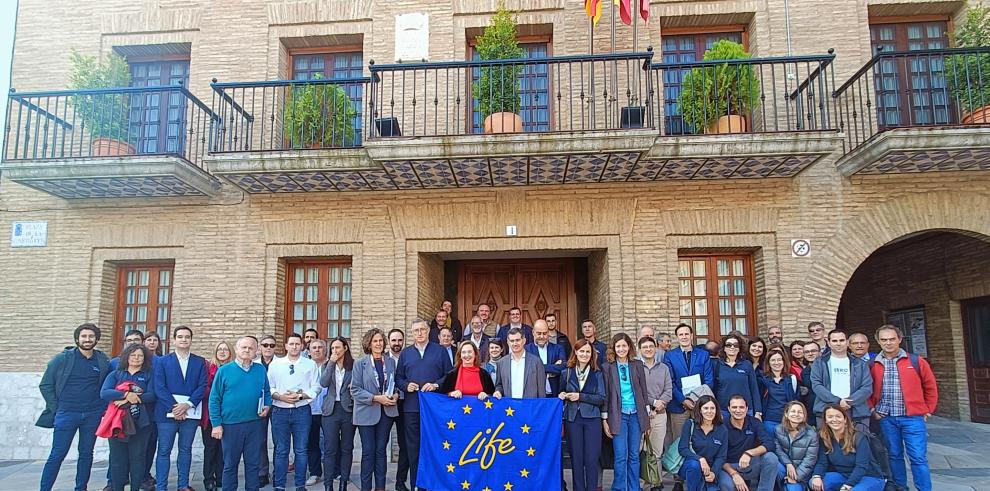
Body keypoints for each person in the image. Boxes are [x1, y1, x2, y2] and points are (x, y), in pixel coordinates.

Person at [868, 324, 938, 491]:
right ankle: (901, 487)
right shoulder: (873, 364)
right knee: (894, 455)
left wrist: (928, 409)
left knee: (918, 458)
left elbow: (930, 386)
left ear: (899, 339)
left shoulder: (916, 361)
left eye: (892, 339)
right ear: (878, 341)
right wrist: (873, 410)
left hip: (912, 417)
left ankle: (924, 488)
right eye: (884, 340)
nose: (888, 343)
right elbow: (867, 389)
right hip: (886, 418)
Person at [209, 336, 273, 491]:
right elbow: (214, 399)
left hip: (255, 424)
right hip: (231, 425)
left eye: (251, 348)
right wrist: (216, 425)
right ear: (236, 350)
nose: (247, 350)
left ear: (256, 351)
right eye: (243, 347)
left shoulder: (260, 370)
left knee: (253, 464)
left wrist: (267, 405)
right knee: (230, 465)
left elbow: (267, 392)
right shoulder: (224, 371)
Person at [395, 319, 452, 490]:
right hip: (412, 408)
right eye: (415, 330)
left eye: (422, 329)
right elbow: (399, 378)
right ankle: (417, 484)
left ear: (429, 331)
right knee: (413, 448)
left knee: (434, 446)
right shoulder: (406, 353)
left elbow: (449, 375)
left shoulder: (440, 351)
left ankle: (435, 483)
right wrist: (406, 386)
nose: (419, 333)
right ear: (412, 333)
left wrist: (436, 385)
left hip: (435, 409)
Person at [153, 325, 208, 491]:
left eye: (187, 337)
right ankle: (161, 486)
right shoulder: (163, 361)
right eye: (180, 337)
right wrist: (174, 407)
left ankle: (183, 484)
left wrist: (187, 405)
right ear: (174, 340)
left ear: (191, 340)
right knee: (164, 450)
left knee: (185, 450)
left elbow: (203, 385)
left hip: (190, 413)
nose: (184, 339)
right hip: (165, 414)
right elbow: (159, 386)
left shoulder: (199, 362)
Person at [268, 332, 321, 491]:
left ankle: (300, 485)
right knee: (281, 450)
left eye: (297, 344)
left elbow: (316, 387)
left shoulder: (309, 364)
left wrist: (301, 396)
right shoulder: (275, 365)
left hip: (302, 411)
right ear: (286, 346)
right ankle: (279, 485)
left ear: (302, 346)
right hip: (280, 411)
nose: (294, 346)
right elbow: (268, 387)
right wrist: (280, 397)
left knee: (301, 449)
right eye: (291, 344)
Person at [101, 343, 157, 491]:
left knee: (138, 458)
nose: (136, 358)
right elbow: (105, 392)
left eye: (140, 355)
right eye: (133, 355)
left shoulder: (149, 374)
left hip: (141, 422)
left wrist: (127, 400)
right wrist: (126, 394)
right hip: (117, 422)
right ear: (127, 356)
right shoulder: (116, 374)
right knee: (118, 459)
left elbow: (152, 395)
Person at [352, 328, 399, 491]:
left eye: (380, 340)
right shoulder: (360, 363)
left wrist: (396, 396)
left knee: (381, 451)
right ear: (369, 344)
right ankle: (366, 487)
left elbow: (395, 384)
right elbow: (355, 390)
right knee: (368, 451)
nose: (379, 344)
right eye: (375, 341)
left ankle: (380, 487)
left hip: (386, 413)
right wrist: (376, 398)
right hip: (366, 413)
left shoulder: (390, 362)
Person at [602, 333, 650, 491]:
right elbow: (606, 395)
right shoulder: (607, 367)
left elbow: (643, 393)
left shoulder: (637, 365)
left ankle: (634, 487)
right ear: (613, 348)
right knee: (621, 456)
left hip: (636, 415)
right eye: (618, 346)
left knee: (634, 456)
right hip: (618, 416)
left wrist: (646, 420)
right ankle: (619, 488)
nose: (621, 349)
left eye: (624, 345)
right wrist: (605, 419)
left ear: (629, 347)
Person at [559, 339, 606, 491]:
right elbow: (560, 393)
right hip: (572, 419)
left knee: (591, 459)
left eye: (587, 351)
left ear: (591, 354)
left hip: (592, 419)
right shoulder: (566, 373)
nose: (584, 354)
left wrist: (580, 396)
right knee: (576, 460)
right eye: (581, 351)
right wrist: (562, 395)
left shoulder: (597, 373)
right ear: (576, 352)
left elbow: (601, 398)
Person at [664, 323, 714, 458]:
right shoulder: (669, 356)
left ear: (692, 336)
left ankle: (702, 469)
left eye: (687, 334)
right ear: (677, 337)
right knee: (679, 440)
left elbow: (709, 380)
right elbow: (670, 381)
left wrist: (697, 400)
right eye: (681, 334)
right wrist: (683, 400)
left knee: (701, 440)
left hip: (701, 405)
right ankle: (679, 474)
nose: (684, 337)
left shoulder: (703, 355)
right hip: (679, 405)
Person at [810, 405, 885, 491]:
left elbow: (861, 466)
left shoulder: (859, 437)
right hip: (843, 475)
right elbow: (822, 463)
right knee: (815, 483)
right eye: (830, 417)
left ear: (845, 419)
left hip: (868, 477)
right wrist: (816, 476)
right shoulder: (825, 438)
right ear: (826, 420)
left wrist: (848, 485)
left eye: (838, 416)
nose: (834, 420)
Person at [810, 331, 872, 428]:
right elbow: (816, 385)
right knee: (828, 443)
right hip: (826, 412)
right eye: (834, 341)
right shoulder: (819, 363)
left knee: (859, 442)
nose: (838, 343)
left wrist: (848, 402)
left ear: (847, 342)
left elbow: (867, 388)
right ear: (829, 343)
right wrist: (838, 401)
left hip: (856, 413)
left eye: (842, 340)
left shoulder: (860, 364)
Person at [718, 395, 779, 491]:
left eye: (741, 407)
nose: (738, 410)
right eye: (734, 407)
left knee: (771, 458)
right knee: (727, 485)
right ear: (729, 409)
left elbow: (769, 443)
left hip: (750, 464)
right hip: (729, 467)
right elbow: (718, 457)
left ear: (747, 409)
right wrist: (734, 474)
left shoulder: (754, 422)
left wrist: (749, 453)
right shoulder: (721, 427)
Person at [320, 337, 355, 491]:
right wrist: (331, 363)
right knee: (330, 448)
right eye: (333, 348)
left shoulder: (354, 366)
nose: (335, 351)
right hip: (331, 409)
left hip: (348, 409)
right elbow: (323, 383)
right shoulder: (327, 365)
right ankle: (328, 484)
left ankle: (343, 483)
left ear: (345, 348)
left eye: (338, 347)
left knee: (347, 447)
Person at [639, 336, 672, 491]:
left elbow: (668, 391)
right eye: (645, 347)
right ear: (640, 350)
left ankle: (655, 482)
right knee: (641, 450)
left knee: (657, 452)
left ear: (655, 348)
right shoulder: (636, 367)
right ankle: (640, 484)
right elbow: (638, 391)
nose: (648, 349)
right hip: (642, 415)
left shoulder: (663, 368)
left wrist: (659, 405)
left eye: (651, 346)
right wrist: (652, 403)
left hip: (660, 415)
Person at [201, 341, 233, 491]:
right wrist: (218, 393)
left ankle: (221, 477)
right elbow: (203, 389)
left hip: (229, 415)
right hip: (211, 415)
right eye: (219, 349)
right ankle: (208, 479)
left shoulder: (234, 369)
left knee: (224, 448)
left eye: (225, 349)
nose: (222, 352)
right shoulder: (208, 369)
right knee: (211, 447)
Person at [678, 394, 727, 491]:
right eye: (706, 408)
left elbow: (721, 456)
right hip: (690, 466)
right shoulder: (690, 424)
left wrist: (713, 472)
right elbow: (682, 449)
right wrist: (700, 459)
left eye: (712, 408)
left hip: (710, 469)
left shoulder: (722, 429)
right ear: (700, 410)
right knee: (694, 465)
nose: (709, 411)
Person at [714, 333, 762, 420]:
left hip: (745, 410)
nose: (732, 347)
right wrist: (717, 411)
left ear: (739, 348)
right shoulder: (717, 365)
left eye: (735, 345)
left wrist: (758, 412)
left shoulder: (747, 364)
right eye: (729, 345)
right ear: (724, 348)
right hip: (724, 411)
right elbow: (715, 390)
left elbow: (754, 388)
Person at [774, 401, 819, 491]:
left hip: (801, 474)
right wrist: (788, 464)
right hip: (785, 468)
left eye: (800, 412)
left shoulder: (811, 434)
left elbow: (810, 460)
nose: (796, 414)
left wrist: (796, 477)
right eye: (793, 411)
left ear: (804, 416)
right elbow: (778, 450)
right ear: (786, 414)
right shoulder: (778, 429)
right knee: (772, 463)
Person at [386, 328, 410, 491]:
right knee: (380, 445)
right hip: (385, 405)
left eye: (399, 340)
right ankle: (378, 484)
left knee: (405, 445)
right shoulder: (381, 359)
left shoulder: (408, 356)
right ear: (389, 342)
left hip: (404, 404)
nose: (396, 343)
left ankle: (400, 482)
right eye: (393, 340)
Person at [493, 327, 548, 399]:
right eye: (512, 341)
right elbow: (499, 385)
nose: (515, 343)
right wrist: (498, 392)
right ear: (508, 342)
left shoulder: (536, 362)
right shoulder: (502, 363)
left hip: (530, 407)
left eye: (517, 340)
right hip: (510, 408)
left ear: (524, 341)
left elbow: (541, 391)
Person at [306, 339, 330, 487]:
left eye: (320, 347)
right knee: (312, 443)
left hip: (328, 410)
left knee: (332, 443)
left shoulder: (331, 366)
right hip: (309, 410)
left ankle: (335, 471)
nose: (317, 350)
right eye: (313, 348)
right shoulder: (305, 367)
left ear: (325, 350)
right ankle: (315, 473)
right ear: (309, 351)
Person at [257, 334, 278, 488]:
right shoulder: (254, 363)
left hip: (277, 405)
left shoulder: (282, 363)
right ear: (260, 347)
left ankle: (278, 472)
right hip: (259, 406)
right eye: (265, 345)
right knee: (260, 440)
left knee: (279, 441)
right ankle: (262, 473)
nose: (268, 348)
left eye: (271, 345)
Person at [760, 350, 798, 436]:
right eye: (773, 360)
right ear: (768, 363)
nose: (776, 363)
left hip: (788, 420)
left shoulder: (791, 379)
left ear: (784, 362)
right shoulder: (763, 380)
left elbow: (796, 399)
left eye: (779, 360)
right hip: (770, 420)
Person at [527, 319, 566, 396]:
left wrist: (538, 368)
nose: (542, 336)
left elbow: (563, 367)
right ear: (533, 333)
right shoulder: (526, 349)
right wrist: (553, 368)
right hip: (534, 395)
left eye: (544, 333)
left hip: (554, 394)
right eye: (539, 333)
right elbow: (527, 370)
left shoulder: (558, 348)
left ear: (548, 333)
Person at [801, 341, 821, 426]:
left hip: (826, 408)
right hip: (811, 410)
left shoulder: (828, 368)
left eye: (813, 351)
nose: (810, 354)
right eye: (807, 352)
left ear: (819, 352)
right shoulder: (804, 372)